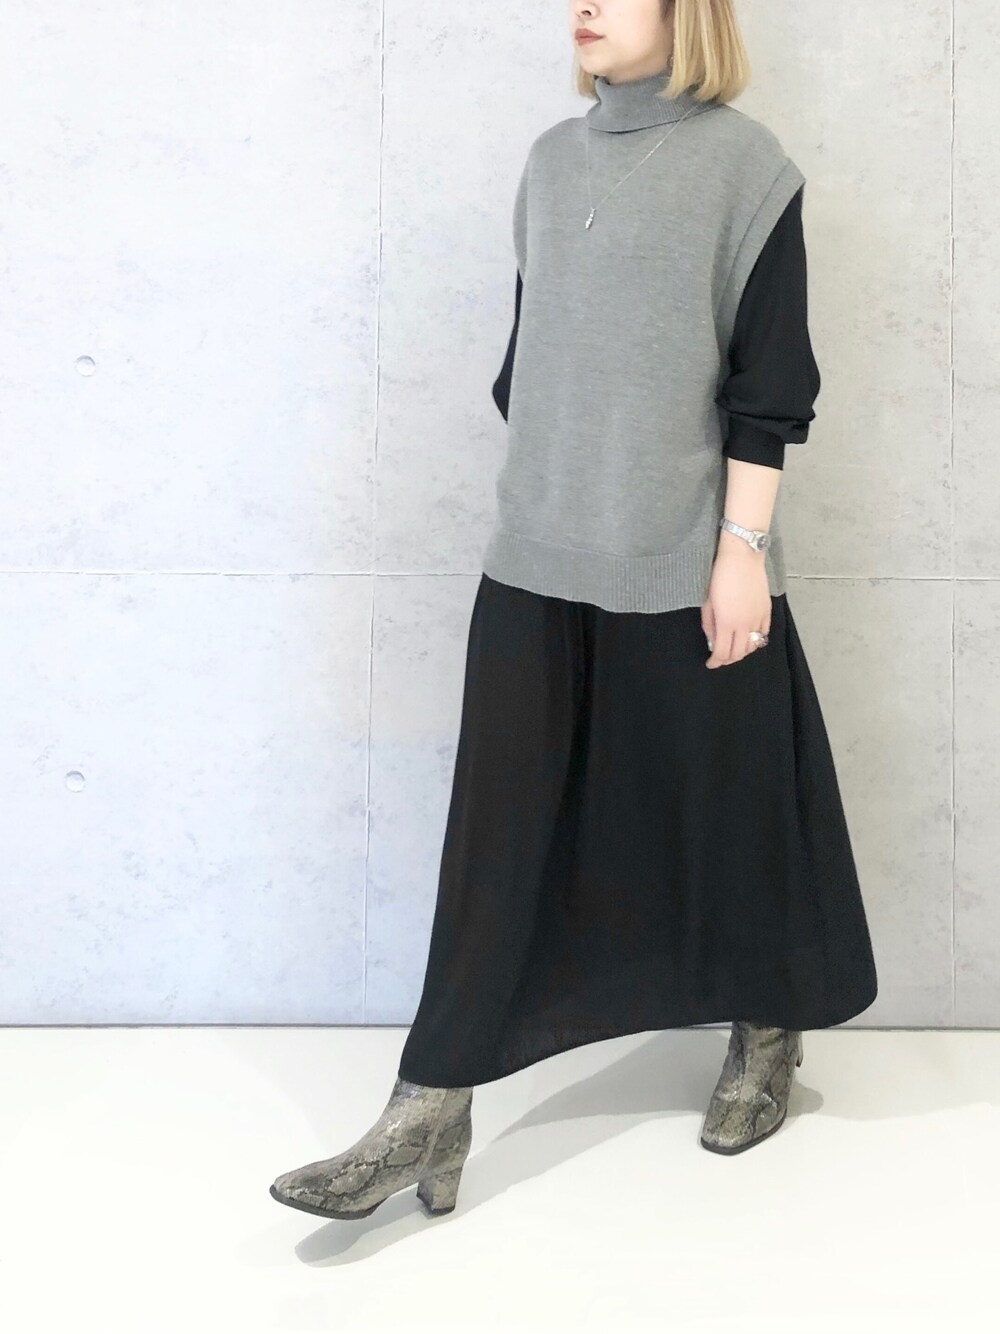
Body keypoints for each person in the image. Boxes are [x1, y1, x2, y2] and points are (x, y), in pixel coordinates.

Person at [270, 0, 879, 1222]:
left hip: (689, 556)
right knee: (495, 834)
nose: (584, 5)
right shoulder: (550, 163)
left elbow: (767, 384)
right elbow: (530, 363)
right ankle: (430, 1106)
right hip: (537, 550)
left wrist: (739, 552)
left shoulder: (746, 168)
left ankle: (767, 1031)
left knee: (730, 803)